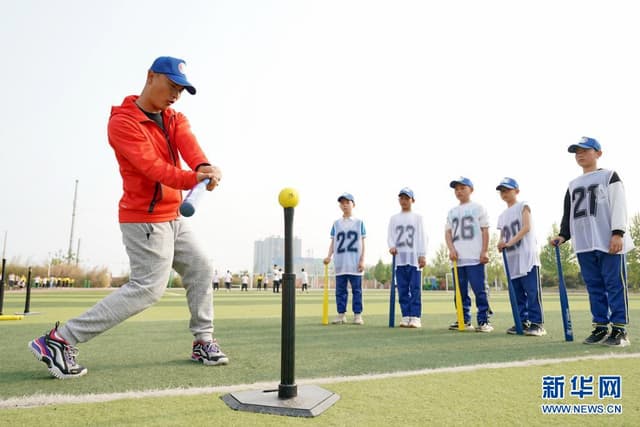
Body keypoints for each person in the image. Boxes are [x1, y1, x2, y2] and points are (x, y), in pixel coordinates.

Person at [28, 56, 229, 379]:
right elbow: (153, 169)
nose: (176, 94)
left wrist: (203, 168)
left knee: (202, 266)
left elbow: (189, 147)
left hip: (173, 216)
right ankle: (59, 340)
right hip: (144, 220)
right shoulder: (123, 123)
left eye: (181, 89)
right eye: (171, 86)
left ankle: (203, 340)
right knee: (148, 289)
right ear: (151, 77)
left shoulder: (174, 118)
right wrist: (194, 179)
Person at [550, 137, 634, 347]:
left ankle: (620, 329)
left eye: (585, 150)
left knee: (614, 284)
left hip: (607, 240)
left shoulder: (609, 176)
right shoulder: (573, 184)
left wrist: (617, 233)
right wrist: (563, 235)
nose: (580, 154)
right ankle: (600, 326)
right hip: (584, 244)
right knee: (594, 286)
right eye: (577, 151)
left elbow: (619, 205)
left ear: (598, 153)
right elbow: (568, 213)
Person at [495, 177, 546, 336]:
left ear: (516, 191)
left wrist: (510, 242)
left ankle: (537, 323)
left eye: (507, 190)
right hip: (511, 259)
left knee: (532, 291)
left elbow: (526, 227)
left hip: (526, 256)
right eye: (502, 191)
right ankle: (522, 321)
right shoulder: (502, 215)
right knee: (516, 293)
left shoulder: (523, 205)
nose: (504, 193)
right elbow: (502, 235)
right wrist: (501, 243)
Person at [445, 177, 492, 332]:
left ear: (471, 189)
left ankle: (483, 320)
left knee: (480, 290)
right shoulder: (452, 211)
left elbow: (485, 229)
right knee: (460, 292)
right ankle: (463, 319)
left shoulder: (478, 208)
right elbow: (448, 232)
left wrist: (484, 250)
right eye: (456, 189)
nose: (459, 191)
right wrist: (451, 249)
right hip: (458, 259)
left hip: (475, 257)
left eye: (462, 188)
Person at [324, 192, 366, 325]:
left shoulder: (359, 222)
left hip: (354, 262)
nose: (345, 205)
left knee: (357, 290)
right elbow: (333, 242)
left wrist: (362, 260)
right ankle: (341, 314)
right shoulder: (336, 223)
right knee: (340, 291)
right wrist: (329, 256)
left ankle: (357, 315)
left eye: (347, 202)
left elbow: (363, 242)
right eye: (342, 202)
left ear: (353, 204)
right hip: (340, 262)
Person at [388, 188, 427, 328]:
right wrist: (391, 246)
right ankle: (405, 315)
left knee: (415, 288)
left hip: (414, 257)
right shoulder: (394, 218)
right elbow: (391, 236)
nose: (404, 201)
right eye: (401, 198)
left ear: (412, 200)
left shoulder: (418, 218)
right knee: (402, 288)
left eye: (407, 198)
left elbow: (422, 237)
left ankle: (415, 316)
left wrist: (422, 254)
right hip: (399, 258)